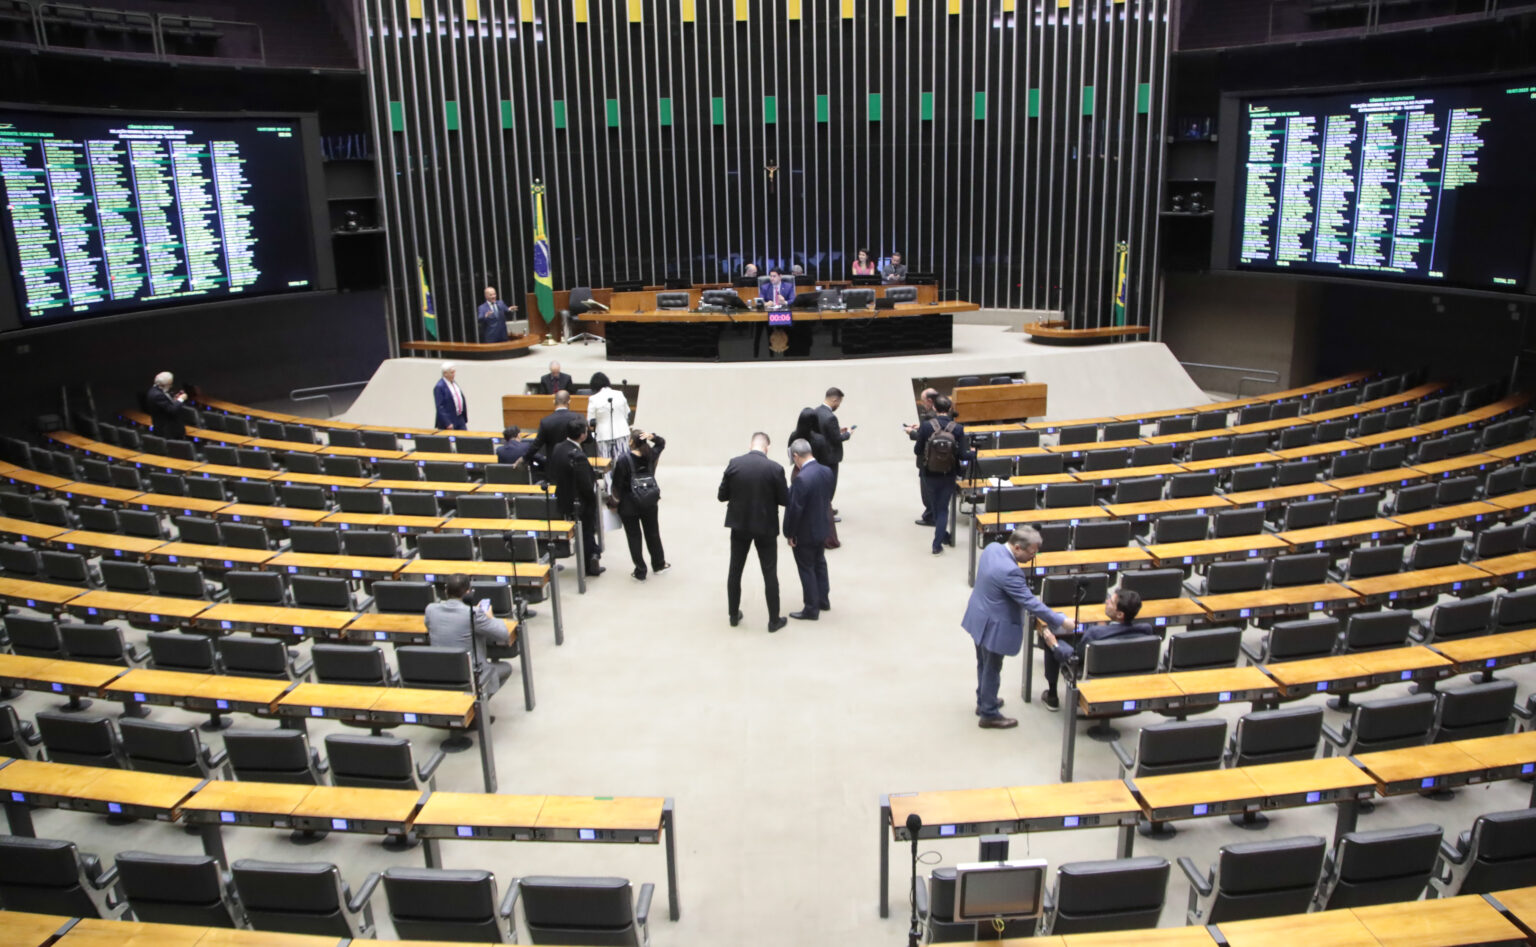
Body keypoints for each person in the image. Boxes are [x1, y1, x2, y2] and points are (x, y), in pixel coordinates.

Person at [962, 527, 1075, 729]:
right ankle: (989, 714)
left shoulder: (992, 548)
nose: (1033, 557)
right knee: (992, 668)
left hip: (979, 616)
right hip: (995, 625)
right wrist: (1060, 620)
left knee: (983, 662)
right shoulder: (1011, 571)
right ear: (1017, 547)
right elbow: (1030, 602)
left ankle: (984, 701)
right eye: (1031, 553)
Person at [1038, 590, 1154, 712]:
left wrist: (1054, 645)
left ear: (1120, 614)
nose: (1107, 601)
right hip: (1125, 672)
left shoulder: (1095, 633)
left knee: (1051, 638)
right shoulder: (1146, 630)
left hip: (1094, 673)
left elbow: (1074, 659)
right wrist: (1107, 630)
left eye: (1111, 602)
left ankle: (1052, 697)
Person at [719, 432, 789, 632]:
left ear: (751, 445)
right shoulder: (775, 468)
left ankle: (733, 615)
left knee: (735, 570)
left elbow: (722, 495)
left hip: (739, 525)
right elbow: (785, 499)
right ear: (767, 447)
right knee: (770, 572)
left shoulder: (734, 464)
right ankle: (773, 620)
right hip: (766, 527)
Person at [424, 572, 513, 696]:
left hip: (440, 672)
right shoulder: (474, 614)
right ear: (468, 593)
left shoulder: (430, 609)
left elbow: (430, 626)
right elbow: (504, 634)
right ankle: (479, 707)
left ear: (445, 591)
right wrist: (489, 617)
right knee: (506, 668)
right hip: (469, 675)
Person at [913, 394, 971, 555]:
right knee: (943, 508)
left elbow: (917, 450)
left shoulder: (926, 426)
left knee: (936, 507)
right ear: (950, 409)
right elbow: (964, 455)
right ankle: (939, 542)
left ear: (934, 408)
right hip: (949, 473)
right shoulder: (958, 428)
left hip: (929, 473)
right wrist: (975, 454)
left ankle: (939, 540)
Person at [609, 429, 669, 581]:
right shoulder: (651, 455)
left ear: (631, 442)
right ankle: (659, 564)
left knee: (634, 536)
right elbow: (661, 443)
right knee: (653, 533)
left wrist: (613, 504)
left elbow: (617, 485)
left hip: (629, 504)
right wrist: (653, 437)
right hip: (649, 501)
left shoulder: (623, 460)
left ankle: (640, 570)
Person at [783, 438, 833, 621]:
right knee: (820, 563)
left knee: (806, 568)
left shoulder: (801, 479)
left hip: (805, 532)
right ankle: (823, 600)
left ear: (796, 456)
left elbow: (794, 510)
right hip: (822, 527)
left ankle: (811, 608)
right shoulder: (826, 472)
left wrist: (789, 533)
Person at [547, 416, 603, 576]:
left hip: (563, 496)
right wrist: (592, 500)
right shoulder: (578, 456)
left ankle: (592, 557)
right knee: (586, 533)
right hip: (580, 502)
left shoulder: (558, 447)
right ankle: (589, 566)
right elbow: (585, 484)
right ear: (583, 435)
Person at [790, 407, 837, 549]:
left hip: (799, 472)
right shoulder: (819, 439)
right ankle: (829, 539)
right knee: (824, 506)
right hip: (817, 473)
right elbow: (826, 459)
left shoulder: (794, 436)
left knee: (799, 505)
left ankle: (799, 535)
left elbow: (790, 455)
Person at [905, 388, 940, 526]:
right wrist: (921, 427)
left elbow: (923, 439)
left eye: (923, 400)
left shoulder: (930, 416)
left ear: (930, 401)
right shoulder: (944, 410)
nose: (921, 403)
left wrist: (911, 432)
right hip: (940, 459)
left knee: (927, 491)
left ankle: (930, 516)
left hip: (928, 458)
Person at [814, 387, 852, 502]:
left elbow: (824, 431)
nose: (839, 406)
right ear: (835, 400)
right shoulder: (831, 417)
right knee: (830, 485)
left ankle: (826, 508)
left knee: (821, 484)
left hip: (819, 455)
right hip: (830, 457)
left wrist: (837, 430)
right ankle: (827, 511)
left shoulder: (816, 411)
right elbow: (836, 439)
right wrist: (848, 433)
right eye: (839, 402)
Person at [586, 372, 631, 460]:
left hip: (603, 435)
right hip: (622, 433)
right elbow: (627, 413)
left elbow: (591, 422)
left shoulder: (593, 399)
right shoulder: (619, 394)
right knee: (622, 463)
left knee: (606, 465)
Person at [533, 390, 576, 462]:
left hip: (553, 464)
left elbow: (537, 445)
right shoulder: (577, 418)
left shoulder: (545, 421)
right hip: (573, 462)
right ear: (569, 402)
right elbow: (588, 440)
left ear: (554, 402)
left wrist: (524, 458)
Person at [146, 371, 188, 440]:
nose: (171, 386)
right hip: (168, 431)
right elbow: (171, 410)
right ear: (163, 385)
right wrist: (181, 399)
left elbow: (165, 406)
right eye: (170, 384)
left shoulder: (153, 390)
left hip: (164, 428)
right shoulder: (158, 395)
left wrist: (175, 400)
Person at [433, 362, 468, 430]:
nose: (454, 374)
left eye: (454, 372)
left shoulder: (453, 383)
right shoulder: (439, 387)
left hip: (459, 418)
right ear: (445, 373)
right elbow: (440, 407)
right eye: (452, 373)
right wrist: (447, 423)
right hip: (449, 421)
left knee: (465, 439)